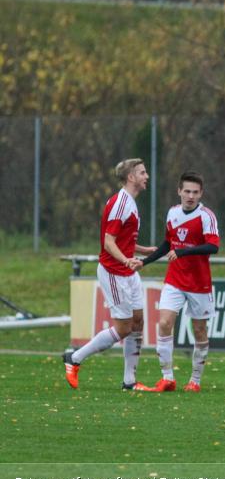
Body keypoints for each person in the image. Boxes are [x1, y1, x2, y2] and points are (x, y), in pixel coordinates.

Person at [63, 158, 156, 390]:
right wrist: (126, 260)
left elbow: (123, 240)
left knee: (138, 321)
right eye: (142, 173)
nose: (147, 176)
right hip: (114, 272)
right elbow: (108, 242)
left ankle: (130, 382)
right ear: (131, 177)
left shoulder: (129, 202)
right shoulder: (121, 203)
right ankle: (74, 358)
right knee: (124, 328)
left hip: (128, 271)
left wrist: (143, 250)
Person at [133, 171, 220, 393]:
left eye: (195, 192)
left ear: (201, 194)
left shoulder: (206, 216)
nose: (191, 196)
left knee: (199, 330)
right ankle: (167, 378)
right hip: (175, 279)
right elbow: (167, 244)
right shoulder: (172, 213)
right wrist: (144, 262)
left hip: (199, 282)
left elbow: (213, 246)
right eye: (187, 191)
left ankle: (195, 380)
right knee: (164, 323)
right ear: (179, 191)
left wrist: (182, 252)